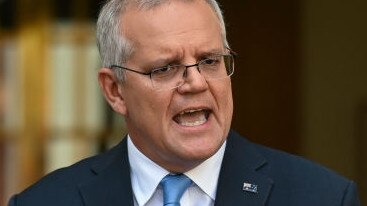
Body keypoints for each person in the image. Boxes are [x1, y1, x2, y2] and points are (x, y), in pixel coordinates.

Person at [8, 0, 360, 205]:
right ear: (115, 90)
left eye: (209, 61)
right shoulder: (46, 202)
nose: (194, 83)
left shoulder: (323, 197)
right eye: (165, 68)